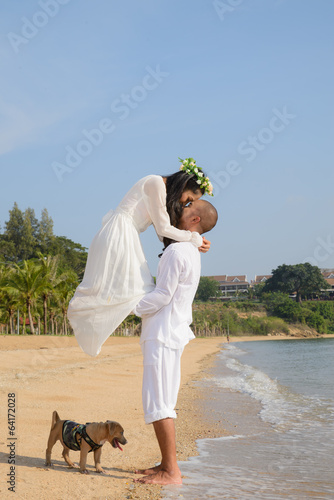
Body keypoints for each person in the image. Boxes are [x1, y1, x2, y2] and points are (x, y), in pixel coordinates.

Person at [68, 158, 213, 357]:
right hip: (120, 231)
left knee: (137, 288)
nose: (185, 203)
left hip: (126, 233)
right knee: (136, 288)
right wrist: (193, 238)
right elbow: (164, 229)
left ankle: (144, 328)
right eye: (188, 198)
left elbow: (164, 234)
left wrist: (194, 242)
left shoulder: (161, 192)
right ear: (184, 184)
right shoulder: (155, 183)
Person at [133, 199, 218, 485]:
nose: (181, 208)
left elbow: (162, 296)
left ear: (195, 221)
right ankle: (166, 464)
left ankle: (172, 472)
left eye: (188, 206)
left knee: (159, 401)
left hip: (163, 331)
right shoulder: (192, 249)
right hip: (172, 330)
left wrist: (131, 307)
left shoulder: (177, 251)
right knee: (163, 398)